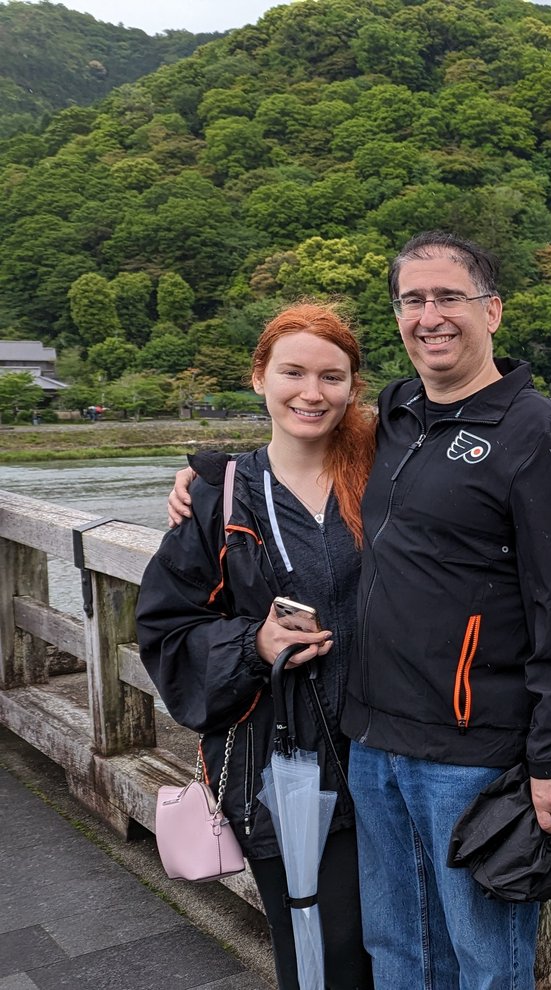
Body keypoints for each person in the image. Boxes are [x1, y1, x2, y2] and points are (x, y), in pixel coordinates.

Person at [169, 232, 551, 989]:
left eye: (449, 298)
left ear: (492, 311)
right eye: (413, 301)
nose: (430, 316)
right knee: (400, 952)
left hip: (472, 755)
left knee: (485, 963)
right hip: (371, 744)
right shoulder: (401, 415)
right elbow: (304, 425)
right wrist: (209, 472)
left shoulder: (542, 437)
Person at [138, 302, 376, 990]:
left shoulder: (386, 476)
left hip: (391, 756)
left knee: (399, 944)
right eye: (293, 372)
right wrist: (254, 642)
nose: (312, 392)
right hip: (284, 769)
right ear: (259, 378)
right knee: (318, 952)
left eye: (332, 376)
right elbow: (166, 624)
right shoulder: (221, 496)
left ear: (354, 387)